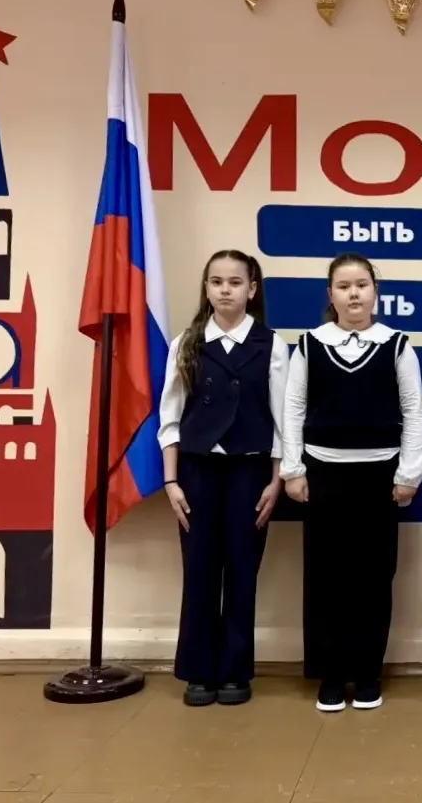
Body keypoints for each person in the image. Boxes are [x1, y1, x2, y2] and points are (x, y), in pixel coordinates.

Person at [281, 252, 422, 712]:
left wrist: (409, 472)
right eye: (344, 287)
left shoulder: (397, 345)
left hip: (379, 478)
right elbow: (293, 409)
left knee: (373, 577)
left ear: (375, 292)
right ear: (331, 295)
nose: (354, 294)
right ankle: (330, 674)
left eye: (362, 285)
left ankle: (367, 673)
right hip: (324, 475)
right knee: (327, 577)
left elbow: (413, 412)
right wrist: (293, 469)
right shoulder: (310, 345)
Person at [157, 249, 288, 707]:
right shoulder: (187, 343)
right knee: (199, 570)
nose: (225, 290)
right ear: (207, 288)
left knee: (242, 570)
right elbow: (170, 418)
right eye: (217, 282)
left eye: (235, 282)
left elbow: (283, 422)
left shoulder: (272, 345)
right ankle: (198, 670)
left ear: (252, 289)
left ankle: (234, 670)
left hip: (250, 471)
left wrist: (276, 480)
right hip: (197, 471)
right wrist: (171, 482)